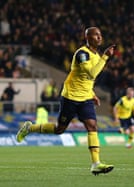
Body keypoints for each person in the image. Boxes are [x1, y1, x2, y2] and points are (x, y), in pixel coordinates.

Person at [16, 26, 116, 175]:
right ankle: (29, 128)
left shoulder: (96, 56)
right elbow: (91, 73)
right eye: (96, 35)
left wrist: (92, 93)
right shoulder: (82, 54)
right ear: (87, 38)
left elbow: (87, 80)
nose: (99, 38)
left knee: (92, 126)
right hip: (71, 97)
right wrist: (106, 57)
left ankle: (96, 163)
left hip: (86, 98)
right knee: (59, 129)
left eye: (100, 35)